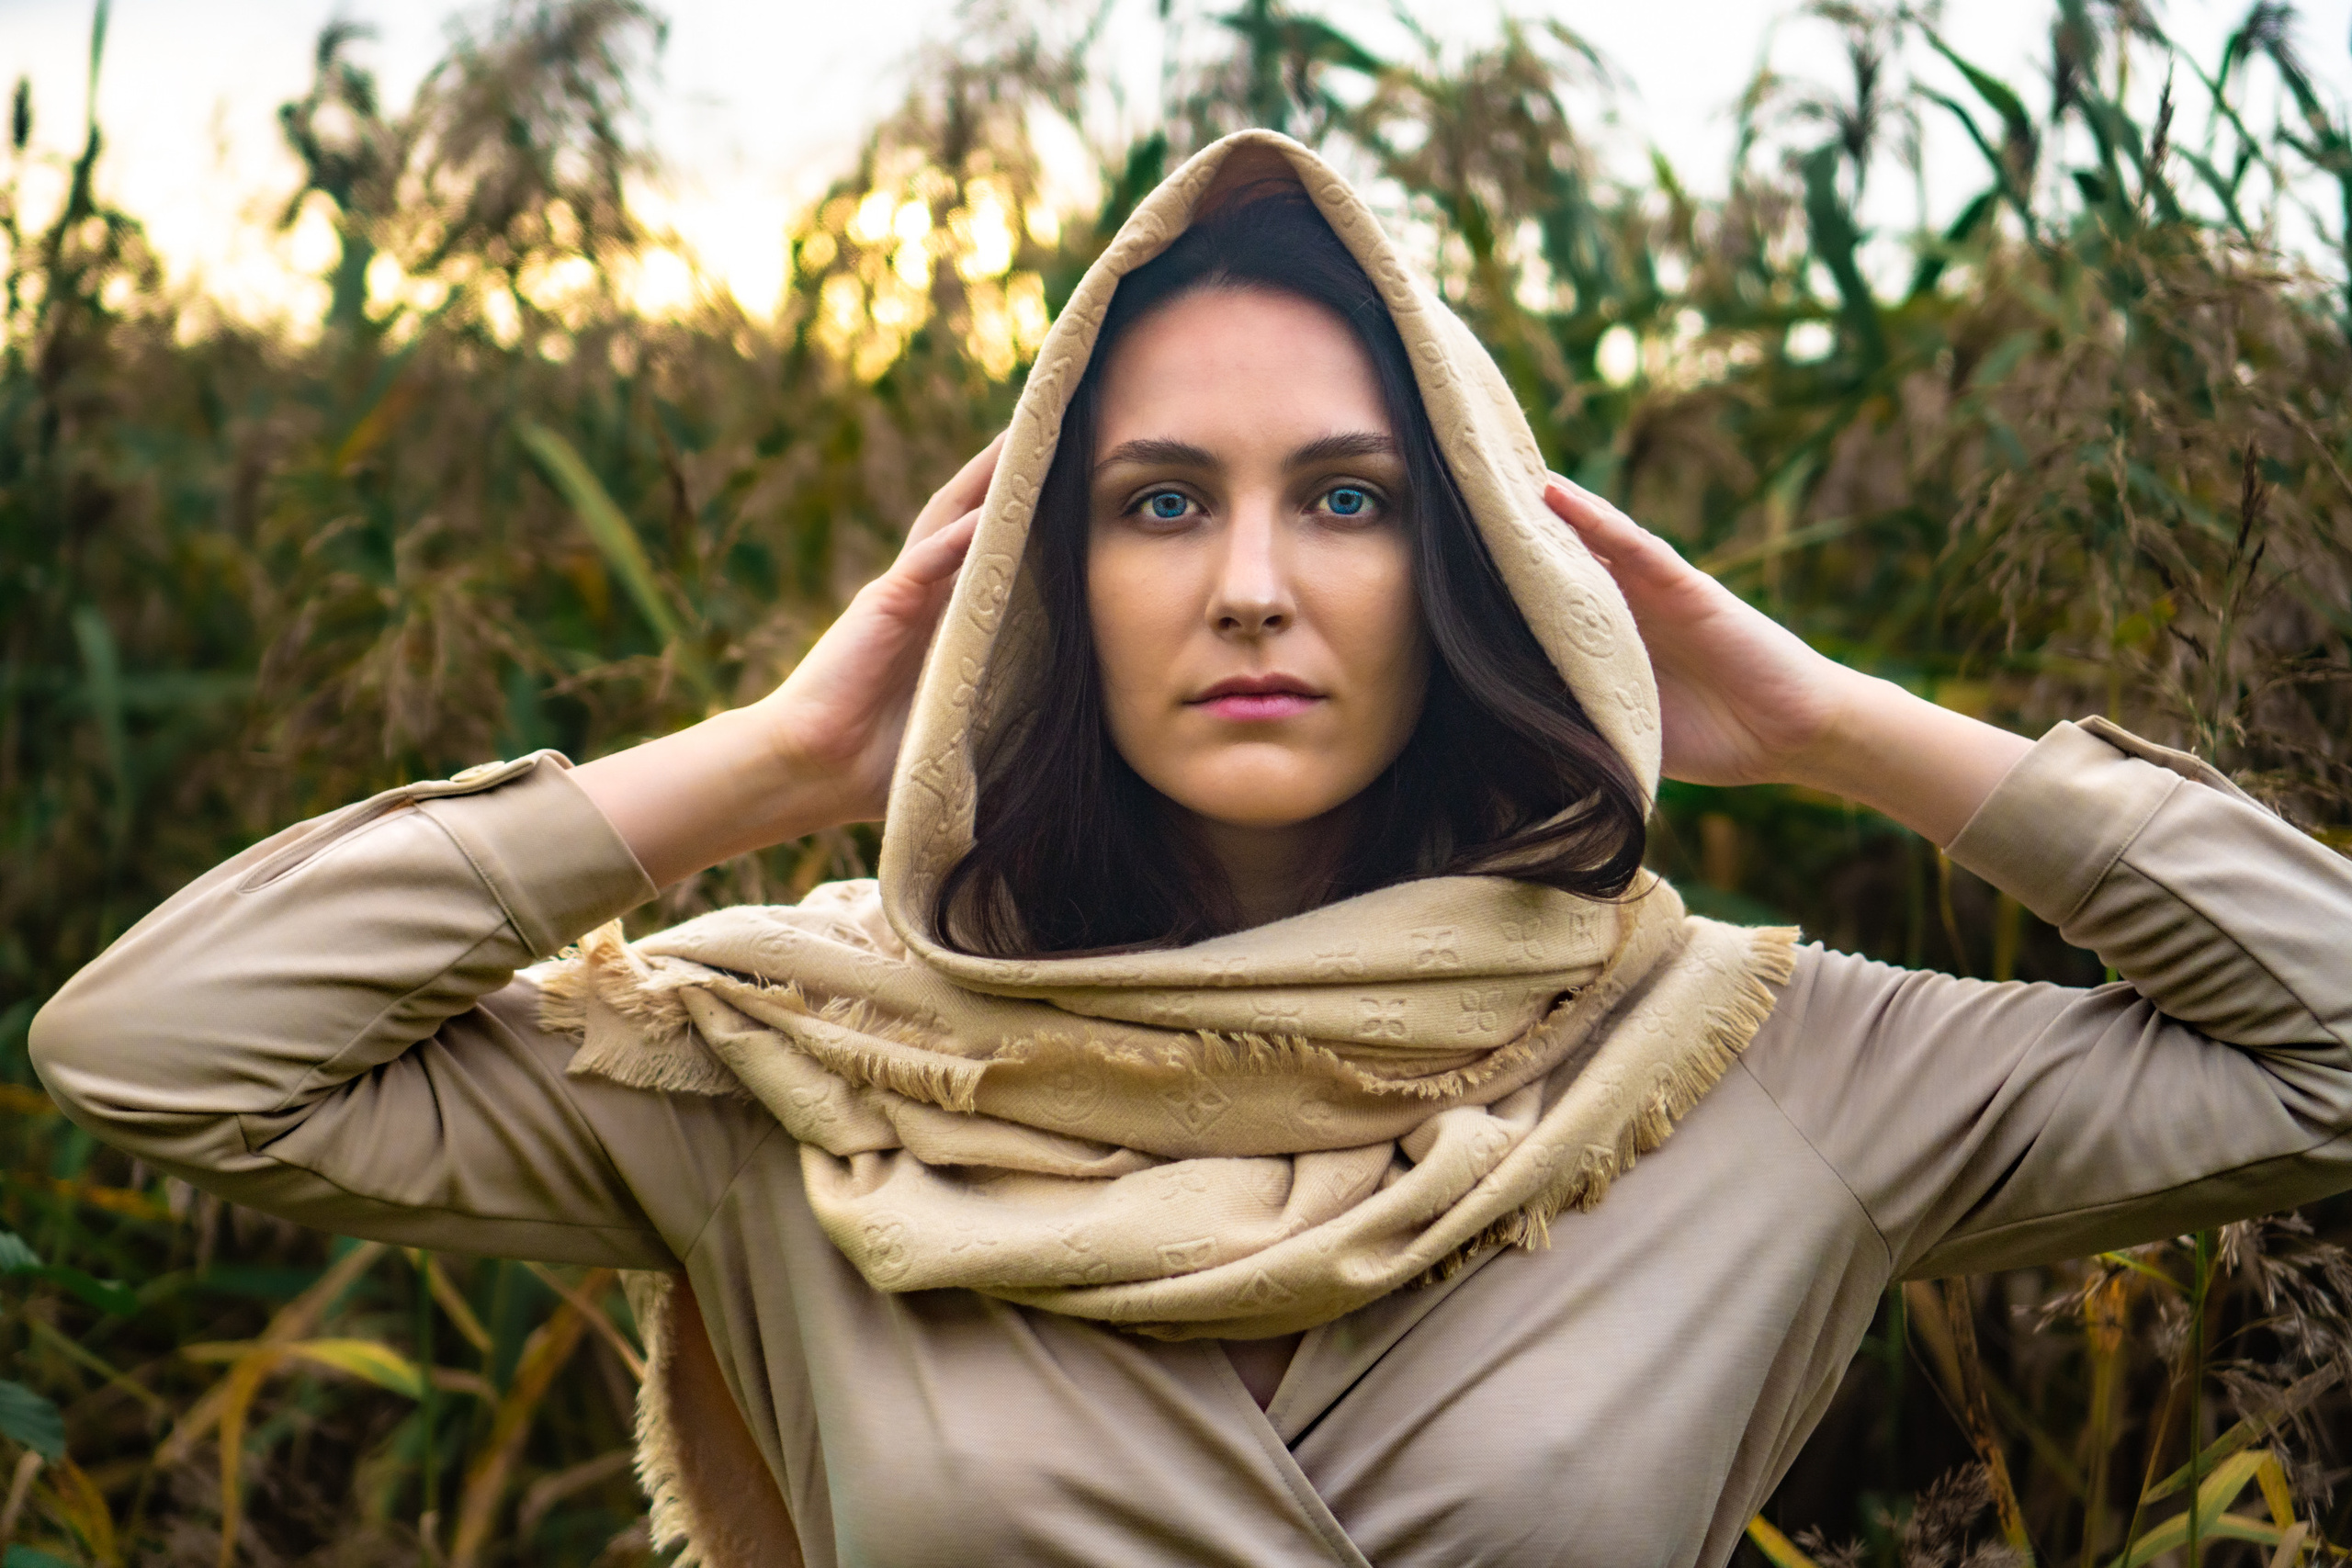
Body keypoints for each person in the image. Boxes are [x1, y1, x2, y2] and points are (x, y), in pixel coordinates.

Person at [28, 130, 2352, 1568]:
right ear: (1056, 580)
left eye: (1346, 497)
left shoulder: (1746, 1060)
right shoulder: (803, 1069)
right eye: (1158, 502)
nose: (1250, 581)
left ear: (1462, 576)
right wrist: (776, 754)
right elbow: (166, 1047)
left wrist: (1840, 730)